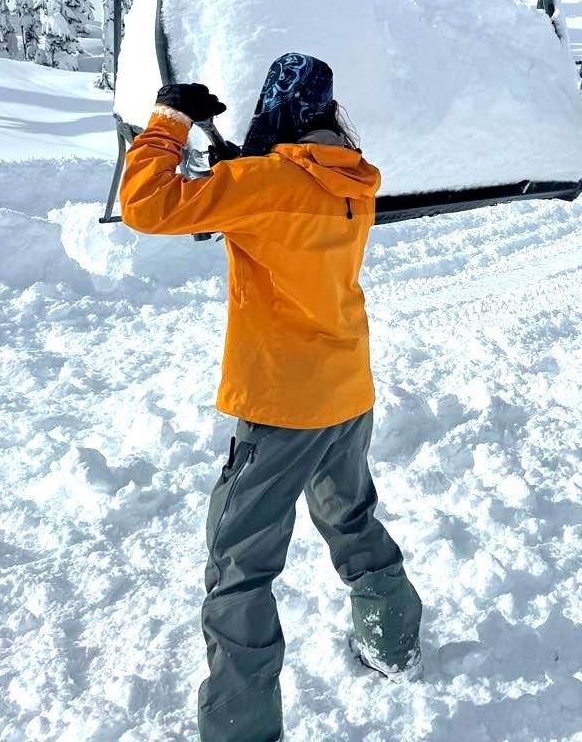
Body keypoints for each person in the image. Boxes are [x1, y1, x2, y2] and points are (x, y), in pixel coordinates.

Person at [120, 52, 422, 742]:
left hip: (283, 406)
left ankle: (240, 726)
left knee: (240, 568)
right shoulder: (354, 178)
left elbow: (146, 206)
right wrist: (232, 161)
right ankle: (393, 638)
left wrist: (168, 121)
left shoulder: (260, 182)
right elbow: (282, 211)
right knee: (351, 519)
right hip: (347, 391)